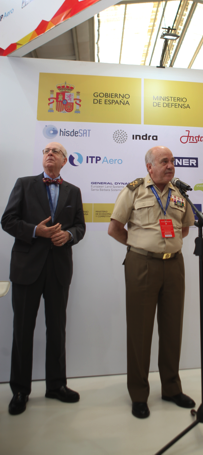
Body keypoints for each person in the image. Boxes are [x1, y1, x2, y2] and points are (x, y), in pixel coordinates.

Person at [108, 146, 196, 419]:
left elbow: (185, 227)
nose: (170, 166)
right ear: (150, 167)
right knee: (140, 331)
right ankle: (138, 393)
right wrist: (139, 247)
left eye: (172, 161)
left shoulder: (180, 193)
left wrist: (165, 246)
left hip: (174, 264)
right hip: (141, 265)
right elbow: (114, 228)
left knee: (172, 329)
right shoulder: (134, 190)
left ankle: (171, 388)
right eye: (164, 161)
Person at [1, 142, 86, 415]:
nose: (50, 154)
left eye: (56, 152)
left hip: (58, 269)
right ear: (43, 159)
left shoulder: (74, 191)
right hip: (27, 269)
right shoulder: (24, 184)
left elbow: (80, 226)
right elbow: (8, 220)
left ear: (64, 161)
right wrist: (36, 231)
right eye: (46, 151)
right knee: (23, 330)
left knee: (56, 328)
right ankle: (20, 390)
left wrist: (69, 235)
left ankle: (56, 386)